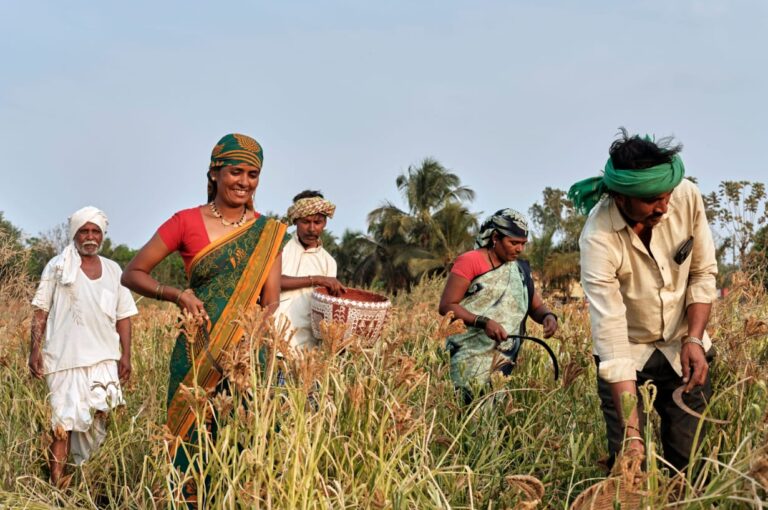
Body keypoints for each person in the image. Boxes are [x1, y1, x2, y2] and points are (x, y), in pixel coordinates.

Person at [121, 133, 287, 487]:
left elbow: (270, 301)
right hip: (196, 351)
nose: (244, 182)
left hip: (247, 356)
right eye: (235, 172)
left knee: (244, 445)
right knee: (189, 440)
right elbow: (132, 273)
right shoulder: (185, 222)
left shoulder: (267, 233)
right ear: (214, 173)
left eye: (253, 174)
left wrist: (254, 338)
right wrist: (178, 295)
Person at [568, 129, 718, 472]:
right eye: (652, 200)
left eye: (666, 196)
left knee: (690, 462)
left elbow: (702, 274)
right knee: (630, 467)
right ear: (621, 198)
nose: (664, 207)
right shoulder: (598, 238)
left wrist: (694, 338)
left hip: (684, 348)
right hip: (628, 355)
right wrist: (632, 435)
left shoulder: (686, 196)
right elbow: (611, 333)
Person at [29, 206, 138, 486]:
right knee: (61, 427)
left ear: (102, 235)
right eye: (84, 231)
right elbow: (40, 309)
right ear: (74, 234)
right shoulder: (57, 267)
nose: (90, 236)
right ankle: (57, 488)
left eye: (95, 231)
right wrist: (35, 351)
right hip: (64, 359)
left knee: (100, 421)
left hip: (104, 360)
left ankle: (91, 484)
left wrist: (126, 356)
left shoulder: (114, 270)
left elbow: (124, 316)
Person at [439, 209, 558, 402]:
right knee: (467, 411)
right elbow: (447, 306)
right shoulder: (470, 261)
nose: (519, 249)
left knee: (491, 421)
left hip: (502, 359)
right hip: (469, 354)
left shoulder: (520, 270)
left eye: (523, 244)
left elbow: (535, 306)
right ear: (496, 237)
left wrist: (548, 316)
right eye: (513, 243)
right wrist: (483, 322)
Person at [277, 190, 345, 349]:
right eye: (306, 222)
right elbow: (273, 282)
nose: (312, 228)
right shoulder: (281, 245)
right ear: (295, 221)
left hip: (307, 348)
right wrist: (317, 279)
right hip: (274, 342)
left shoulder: (328, 262)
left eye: (318, 222)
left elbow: (327, 305)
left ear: (325, 223)